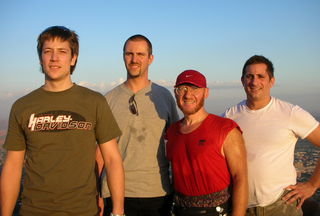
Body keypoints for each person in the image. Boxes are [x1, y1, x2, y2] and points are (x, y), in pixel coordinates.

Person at [0, 26, 125, 216]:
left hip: (83, 210)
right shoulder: (22, 106)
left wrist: (118, 211)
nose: (54, 58)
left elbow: (113, 159)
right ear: (40, 58)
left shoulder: (94, 101)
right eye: (48, 51)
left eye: (62, 51)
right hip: (34, 210)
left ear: (73, 58)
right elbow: (12, 166)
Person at [224, 55, 320, 216]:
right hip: (241, 208)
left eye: (261, 76)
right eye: (249, 76)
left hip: (282, 207)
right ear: (242, 81)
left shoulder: (290, 113)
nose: (254, 82)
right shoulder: (229, 117)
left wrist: (313, 184)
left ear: (272, 81)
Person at [96, 34, 179, 216]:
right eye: (129, 54)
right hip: (116, 193)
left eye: (140, 54)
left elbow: (177, 140)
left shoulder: (164, 97)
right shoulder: (107, 100)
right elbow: (100, 153)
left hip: (158, 191)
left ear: (151, 58)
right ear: (123, 56)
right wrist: (97, 194)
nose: (134, 59)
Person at [166, 69, 248, 216]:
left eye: (194, 89)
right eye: (182, 89)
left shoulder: (225, 129)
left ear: (206, 93)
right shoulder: (172, 132)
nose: (187, 94)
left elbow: (240, 178)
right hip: (179, 209)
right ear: (176, 93)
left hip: (216, 211)